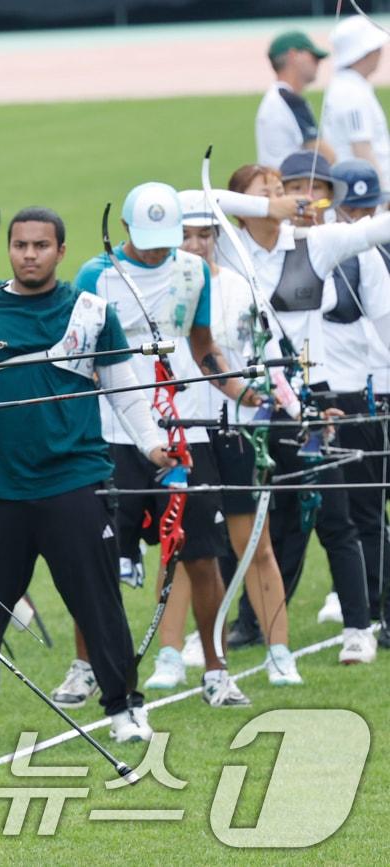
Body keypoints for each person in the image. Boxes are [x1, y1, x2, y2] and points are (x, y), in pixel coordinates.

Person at [0, 208, 161, 746]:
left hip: (74, 480)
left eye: (40, 245)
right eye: (20, 245)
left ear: (61, 251)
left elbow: (124, 388)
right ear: (9, 249)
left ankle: (124, 707)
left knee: (98, 602)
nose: (29, 254)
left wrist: (154, 446)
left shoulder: (90, 311)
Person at [69, 181, 252, 707]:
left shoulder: (192, 272)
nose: (157, 250)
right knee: (97, 556)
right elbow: (78, 358)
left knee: (201, 554)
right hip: (111, 435)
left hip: (182, 434)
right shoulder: (95, 274)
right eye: (147, 239)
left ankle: (216, 670)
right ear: (124, 229)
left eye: (165, 238)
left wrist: (250, 394)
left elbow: (204, 348)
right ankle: (85, 667)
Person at [216, 156, 390, 663]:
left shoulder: (315, 244)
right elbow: (200, 202)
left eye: (281, 188)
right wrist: (268, 204)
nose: (282, 196)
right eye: (267, 190)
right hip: (249, 404)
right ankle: (247, 623)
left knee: (334, 512)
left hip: (310, 407)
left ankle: (359, 626)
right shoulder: (230, 247)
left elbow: (373, 228)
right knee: (253, 517)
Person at [176, 188, 302, 685]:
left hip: (238, 432)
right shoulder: (157, 288)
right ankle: (177, 654)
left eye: (206, 234)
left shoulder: (239, 288)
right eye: (186, 235)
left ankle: (279, 652)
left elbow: (266, 360)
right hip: (184, 432)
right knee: (188, 550)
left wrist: (279, 399)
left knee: (255, 544)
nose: (198, 244)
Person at [323, 159, 390, 647]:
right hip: (335, 394)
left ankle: (373, 604)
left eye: (367, 206)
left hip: (371, 390)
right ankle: (362, 602)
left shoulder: (365, 249)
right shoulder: (328, 246)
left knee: (366, 507)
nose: (359, 215)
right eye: (350, 206)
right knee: (342, 508)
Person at [324, 15, 390, 184]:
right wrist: (383, 194)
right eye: (376, 48)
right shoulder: (351, 93)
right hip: (364, 193)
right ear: (363, 54)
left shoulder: (347, 87)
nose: (380, 53)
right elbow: (362, 149)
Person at [256, 30, 334, 169]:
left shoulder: (275, 98)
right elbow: (326, 156)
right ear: (293, 55)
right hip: (292, 186)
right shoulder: (290, 100)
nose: (318, 63)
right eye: (314, 57)